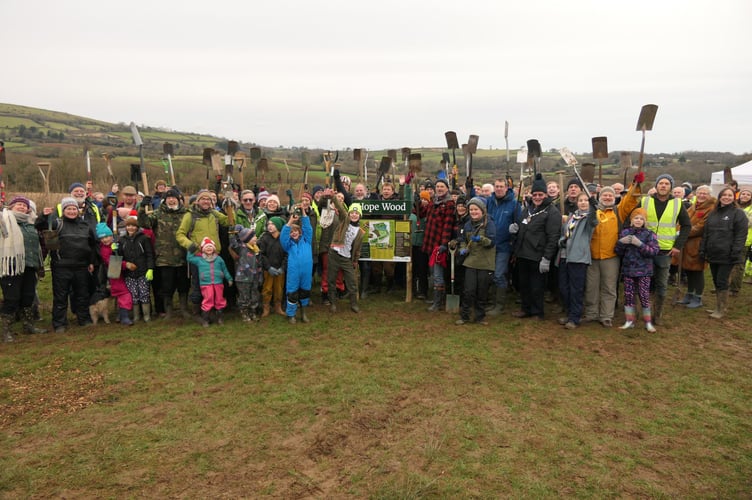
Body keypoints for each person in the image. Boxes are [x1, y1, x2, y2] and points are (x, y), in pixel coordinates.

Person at [583, 174, 643, 327]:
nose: (608, 197)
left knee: (609, 288)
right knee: (591, 287)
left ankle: (606, 315)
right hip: (592, 256)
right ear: (599, 196)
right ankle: (591, 314)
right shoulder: (593, 211)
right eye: (605, 195)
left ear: (614, 197)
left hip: (611, 257)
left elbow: (630, 200)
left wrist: (635, 184)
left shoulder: (618, 212)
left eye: (610, 195)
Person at [38, 197, 98, 333]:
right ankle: (59, 323)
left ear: (78, 210)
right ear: (63, 210)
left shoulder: (85, 226)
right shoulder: (56, 223)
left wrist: (91, 262)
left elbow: (92, 245)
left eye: (74, 209)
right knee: (61, 296)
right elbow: (39, 226)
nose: (71, 211)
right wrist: (43, 216)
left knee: (82, 294)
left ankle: (84, 319)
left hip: (81, 266)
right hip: (61, 266)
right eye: (68, 209)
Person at [640, 173, 691, 324]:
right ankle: (643, 311)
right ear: (656, 186)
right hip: (645, 250)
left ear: (670, 187)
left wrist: (678, 245)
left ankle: (658, 314)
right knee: (644, 282)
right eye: (660, 183)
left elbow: (687, 225)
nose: (663, 186)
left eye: (666, 184)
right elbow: (633, 219)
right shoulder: (645, 201)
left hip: (664, 251)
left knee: (661, 284)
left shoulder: (677, 204)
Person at [510, 174, 561, 320]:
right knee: (524, 284)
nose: (537, 197)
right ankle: (525, 309)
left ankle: (537, 312)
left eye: (540, 195)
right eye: (535, 195)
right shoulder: (528, 209)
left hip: (538, 255)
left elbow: (553, 237)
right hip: (522, 253)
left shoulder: (552, 212)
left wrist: (546, 258)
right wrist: (515, 229)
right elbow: (522, 226)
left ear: (545, 195)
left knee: (537, 286)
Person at [138, 188, 190, 319]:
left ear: (178, 200)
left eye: (174, 198)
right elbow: (144, 223)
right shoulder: (158, 214)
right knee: (167, 286)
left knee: (183, 285)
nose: (171, 200)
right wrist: (142, 207)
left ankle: (184, 309)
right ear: (165, 200)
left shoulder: (186, 214)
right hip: (164, 257)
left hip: (183, 256)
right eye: (169, 198)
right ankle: (169, 310)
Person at [175, 189, 230, 314]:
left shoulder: (214, 214)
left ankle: (213, 310)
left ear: (211, 202)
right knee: (198, 284)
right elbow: (180, 234)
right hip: (199, 256)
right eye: (203, 199)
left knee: (215, 284)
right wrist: (190, 245)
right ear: (198, 201)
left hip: (215, 256)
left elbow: (229, 221)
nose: (206, 201)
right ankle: (198, 311)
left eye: (208, 199)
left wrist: (230, 207)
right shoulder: (190, 215)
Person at [0, 196, 46, 341]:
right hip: (11, 266)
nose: (22, 207)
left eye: (24, 206)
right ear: (11, 206)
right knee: (12, 298)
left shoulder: (31, 223)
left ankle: (28, 325)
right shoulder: (4, 220)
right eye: (18, 204)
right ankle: (6, 331)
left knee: (28, 297)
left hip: (30, 265)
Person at [699, 187, 748, 319]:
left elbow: (741, 235)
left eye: (729, 195)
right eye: (724, 195)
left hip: (728, 254)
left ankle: (721, 309)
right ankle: (718, 306)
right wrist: (703, 249)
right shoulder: (713, 213)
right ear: (719, 197)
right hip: (713, 253)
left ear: (734, 197)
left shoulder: (738, 214)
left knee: (722, 281)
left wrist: (736, 251)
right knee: (715, 280)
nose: (726, 197)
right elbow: (706, 233)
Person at [556, 192, 598, 329]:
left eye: (586, 200)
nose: (583, 202)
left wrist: (594, 206)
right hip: (564, 255)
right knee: (563, 287)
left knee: (576, 289)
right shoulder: (572, 217)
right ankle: (569, 313)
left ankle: (575, 317)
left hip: (578, 257)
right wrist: (562, 241)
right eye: (581, 200)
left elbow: (594, 220)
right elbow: (565, 233)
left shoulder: (589, 219)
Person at [615, 207, 660, 332]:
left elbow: (654, 251)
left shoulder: (649, 234)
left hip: (644, 271)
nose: (638, 220)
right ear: (632, 220)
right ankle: (630, 321)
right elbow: (618, 252)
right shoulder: (625, 232)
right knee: (628, 295)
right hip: (628, 270)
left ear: (645, 221)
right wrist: (620, 243)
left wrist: (640, 244)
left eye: (641, 218)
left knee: (644, 295)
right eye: (636, 218)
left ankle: (648, 322)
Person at [455, 197, 496, 325]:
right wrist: (462, 249)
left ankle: (480, 317)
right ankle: (465, 316)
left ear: (482, 210)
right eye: (471, 209)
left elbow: (492, 243)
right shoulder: (468, 225)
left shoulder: (489, 223)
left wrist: (481, 239)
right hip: (471, 261)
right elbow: (462, 240)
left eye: (476, 209)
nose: (473, 212)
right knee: (468, 290)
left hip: (485, 262)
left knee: (482, 291)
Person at [673, 185, 714, 309]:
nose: (702, 195)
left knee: (697, 271)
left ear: (709, 195)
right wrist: (679, 230)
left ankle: (698, 296)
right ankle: (689, 294)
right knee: (689, 270)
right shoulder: (694, 206)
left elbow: (701, 227)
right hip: (687, 244)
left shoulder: (711, 209)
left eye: (705, 193)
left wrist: (683, 233)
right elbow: (683, 221)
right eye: (700, 193)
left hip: (698, 244)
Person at [485, 178, 520, 316]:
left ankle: (499, 305)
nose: (499, 189)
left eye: (501, 186)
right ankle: (492, 301)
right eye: (497, 186)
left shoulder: (514, 204)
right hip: (489, 244)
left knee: (499, 274)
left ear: (507, 188)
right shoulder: (489, 202)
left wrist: (515, 230)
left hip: (504, 245)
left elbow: (519, 225)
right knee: (490, 274)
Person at [420, 179, 456, 312]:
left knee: (438, 274)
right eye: (437, 186)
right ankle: (437, 298)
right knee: (433, 272)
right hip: (430, 242)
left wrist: (444, 244)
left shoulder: (449, 204)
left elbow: (448, 225)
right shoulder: (433, 202)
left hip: (439, 245)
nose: (439, 188)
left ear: (447, 188)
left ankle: (438, 302)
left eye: (442, 186)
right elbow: (422, 214)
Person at [327, 194, 365, 313]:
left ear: (360, 216)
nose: (354, 215)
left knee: (352, 282)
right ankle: (332, 303)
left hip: (347, 258)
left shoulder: (361, 232)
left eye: (356, 213)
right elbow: (340, 207)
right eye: (352, 212)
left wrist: (355, 261)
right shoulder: (344, 221)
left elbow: (357, 249)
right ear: (348, 214)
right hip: (334, 254)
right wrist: (333, 197)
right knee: (331, 280)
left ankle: (354, 304)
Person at [186, 237, 233, 326]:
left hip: (218, 283)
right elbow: (189, 258)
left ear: (214, 248)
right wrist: (191, 248)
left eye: (210, 246)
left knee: (220, 300)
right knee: (208, 300)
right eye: (206, 247)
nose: (209, 248)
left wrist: (229, 278)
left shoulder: (219, 259)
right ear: (203, 249)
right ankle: (205, 320)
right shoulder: (199, 259)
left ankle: (220, 318)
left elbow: (225, 269)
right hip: (206, 284)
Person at [95, 223, 133, 326]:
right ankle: (124, 317)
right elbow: (111, 262)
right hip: (115, 273)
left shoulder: (117, 243)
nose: (105, 240)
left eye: (107, 236)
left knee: (126, 293)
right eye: (102, 238)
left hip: (123, 273)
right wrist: (126, 264)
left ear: (111, 235)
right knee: (124, 294)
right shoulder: (104, 250)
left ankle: (120, 315)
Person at [280, 207, 314, 323]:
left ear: (300, 232)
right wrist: (291, 221)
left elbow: (308, 228)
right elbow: (283, 236)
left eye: (296, 231)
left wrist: (303, 212)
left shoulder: (307, 240)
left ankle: (304, 313)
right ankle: (291, 314)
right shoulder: (288, 245)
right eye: (291, 232)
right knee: (292, 292)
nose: (293, 233)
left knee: (305, 291)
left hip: (306, 272)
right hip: (294, 272)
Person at [120, 216, 154, 322]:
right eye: (129, 225)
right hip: (129, 273)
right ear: (126, 227)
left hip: (143, 272)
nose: (131, 228)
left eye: (133, 226)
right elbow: (119, 257)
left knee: (144, 293)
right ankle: (136, 315)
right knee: (133, 294)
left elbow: (149, 254)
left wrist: (150, 268)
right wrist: (115, 249)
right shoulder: (122, 240)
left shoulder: (144, 238)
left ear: (137, 227)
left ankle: (146, 316)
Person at [230, 226, 263, 322]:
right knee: (244, 297)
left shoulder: (256, 250)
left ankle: (252, 312)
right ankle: (244, 313)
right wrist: (233, 233)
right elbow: (233, 244)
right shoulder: (241, 248)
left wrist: (260, 275)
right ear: (247, 239)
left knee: (254, 295)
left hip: (255, 277)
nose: (256, 238)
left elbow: (259, 263)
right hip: (243, 278)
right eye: (253, 237)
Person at [258, 216, 287, 317]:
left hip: (280, 269)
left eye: (273, 224)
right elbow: (262, 254)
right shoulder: (265, 238)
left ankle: (278, 307)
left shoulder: (283, 238)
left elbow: (286, 255)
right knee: (267, 288)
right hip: (268, 269)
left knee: (279, 288)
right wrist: (268, 267)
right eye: (268, 224)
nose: (270, 226)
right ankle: (266, 307)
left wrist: (282, 268)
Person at [729, 187, 752, 293]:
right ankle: (724, 285)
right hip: (729, 239)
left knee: (739, 265)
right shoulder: (733, 206)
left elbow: (748, 223)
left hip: (744, 240)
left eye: (748, 194)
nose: (745, 196)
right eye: (743, 194)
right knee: (727, 263)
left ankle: (735, 288)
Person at [410, 190, 430, 300]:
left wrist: (419, 205)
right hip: (412, 244)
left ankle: (423, 291)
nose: (423, 202)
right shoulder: (412, 213)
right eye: (421, 199)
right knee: (413, 269)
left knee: (422, 269)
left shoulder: (427, 213)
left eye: (425, 200)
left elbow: (421, 212)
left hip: (423, 245)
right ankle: (413, 289)